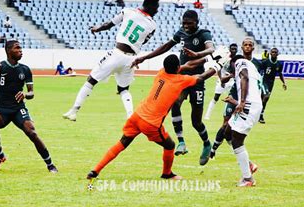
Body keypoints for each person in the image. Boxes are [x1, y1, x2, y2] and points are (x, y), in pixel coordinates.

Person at [86, 54, 221, 181]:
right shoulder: (180, 81)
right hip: (150, 123)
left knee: (122, 142)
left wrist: (206, 59)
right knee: (170, 145)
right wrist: (217, 65)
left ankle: (95, 170)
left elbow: (187, 65)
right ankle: (167, 174)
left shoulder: (161, 72)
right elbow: (201, 77)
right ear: (177, 68)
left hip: (137, 115)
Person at [131, 10, 215, 165]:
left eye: (189, 23)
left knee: (196, 121)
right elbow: (166, 46)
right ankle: (181, 142)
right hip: (180, 77)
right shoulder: (181, 33)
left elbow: (211, 49)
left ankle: (206, 143)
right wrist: (145, 57)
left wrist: (197, 55)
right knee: (174, 102)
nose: (186, 26)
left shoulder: (204, 34)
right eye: (184, 23)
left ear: (197, 22)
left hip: (197, 80)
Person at [63, 0, 160, 122]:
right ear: (150, 6)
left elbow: (109, 24)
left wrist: (96, 29)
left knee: (91, 80)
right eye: (156, 7)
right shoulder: (153, 26)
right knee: (124, 89)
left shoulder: (127, 11)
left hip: (117, 53)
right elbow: (144, 41)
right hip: (131, 59)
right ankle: (130, 116)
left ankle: (74, 111)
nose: (157, 10)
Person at [0, 40, 58, 173]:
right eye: (17, 48)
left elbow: (31, 93)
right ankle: (0, 156)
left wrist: (25, 94)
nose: (21, 50)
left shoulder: (25, 69)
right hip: (2, 109)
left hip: (18, 109)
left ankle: (50, 164)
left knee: (32, 132)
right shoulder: (0, 67)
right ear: (8, 50)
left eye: (21, 48)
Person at [223, 47, 262, 187]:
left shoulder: (240, 62)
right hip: (251, 104)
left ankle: (248, 179)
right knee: (227, 132)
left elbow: (244, 77)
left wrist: (243, 102)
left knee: (237, 141)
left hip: (249, 105)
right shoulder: (251, 66)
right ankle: (249, 164)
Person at [204, 43, 238, 120]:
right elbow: (218, 68)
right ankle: (207, 115)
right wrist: (221, 79)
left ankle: (232, 115)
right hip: (222, 80)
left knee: (233, 98)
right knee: (216, 97)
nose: (234, 50)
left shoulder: (237, 59)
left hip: (231, 81)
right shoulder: (225, 57)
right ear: (229, 49)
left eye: (235, 49)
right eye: (232, 49)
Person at [259, 47, 287, 123]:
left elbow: (280, 74)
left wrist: (284, 82)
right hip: (263, 81)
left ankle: (260, 114)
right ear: (270, 53)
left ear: (277, 54)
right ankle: (260, 114)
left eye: (275, 52)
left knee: (264, 99)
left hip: (271, 83)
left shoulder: (279, 64)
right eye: (273, 52)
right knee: (266, 96)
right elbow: (259, 68)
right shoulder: (265, 62)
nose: (274, 53)